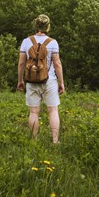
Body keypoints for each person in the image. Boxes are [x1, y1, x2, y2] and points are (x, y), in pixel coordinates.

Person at [17, 14, 65, 143]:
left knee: (33, 112)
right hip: (49, 81)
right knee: (53, 110)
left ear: (35, 25)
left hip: (32, 81)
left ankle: (34, 140)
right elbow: (57, 64)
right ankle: (55, 141)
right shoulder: (53, 42)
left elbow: (21, 63)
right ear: (47, 27)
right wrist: (61, 83)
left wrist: (20, 81)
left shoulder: (26, 42)